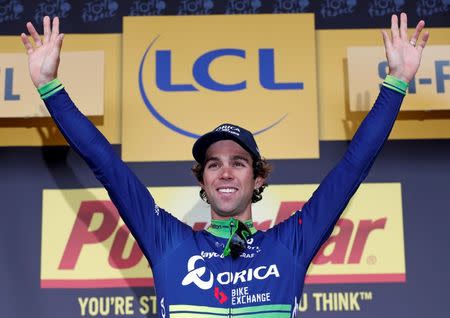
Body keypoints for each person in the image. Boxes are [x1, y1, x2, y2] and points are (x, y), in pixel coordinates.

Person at [21, 13, 428, 318]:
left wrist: (396, 83)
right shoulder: (170, 243)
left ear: (258, 177)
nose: (226, 172)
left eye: (238, 162)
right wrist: (49, 87)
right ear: (203, 180)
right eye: (214, 164)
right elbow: (105, 164)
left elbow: (353, 168)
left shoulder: (289, 245)